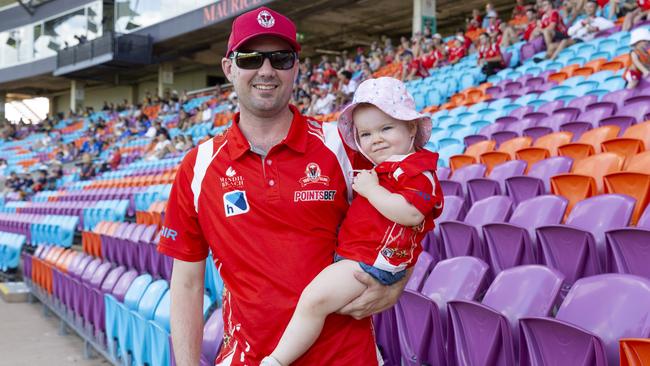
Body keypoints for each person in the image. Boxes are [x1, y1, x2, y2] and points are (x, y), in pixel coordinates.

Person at [158, 7, 407, 366]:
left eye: (280, 58)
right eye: (250, 58)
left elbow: (410, 216)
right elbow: (186, 284)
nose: (266, 70)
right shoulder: (198, 167)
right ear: (229, 68)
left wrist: (396, 284)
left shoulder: (343, 145)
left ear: (296, 68)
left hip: (347, 358)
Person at [261, 77, 443, 366]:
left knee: (313, 301)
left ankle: (276, 361)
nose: (376, 139)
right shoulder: (383, 167)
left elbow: (411, 214)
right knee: (319, 304)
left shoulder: (418, 170)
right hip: (363, 257)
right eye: (366, 134)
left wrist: (371, 190)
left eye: (386, 128)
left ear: (411, 128)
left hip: (370, 261)